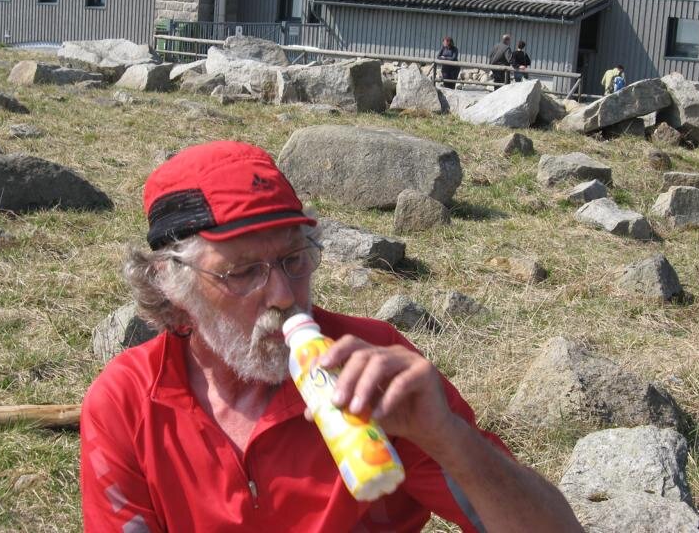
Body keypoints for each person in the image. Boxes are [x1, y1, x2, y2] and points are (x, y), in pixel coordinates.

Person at [80, 140, 582, 532]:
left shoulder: (375, 365)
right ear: (171, 282)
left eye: (294, 259)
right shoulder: (128, 401)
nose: (283, 295)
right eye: (243, 271)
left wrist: (449, 438)